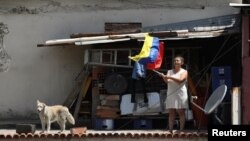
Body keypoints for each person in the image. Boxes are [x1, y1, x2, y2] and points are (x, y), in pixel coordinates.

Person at [160, 55, 188, 133]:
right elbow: (167, 82)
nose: (176, 62)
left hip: (180, 94)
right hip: (171, 93)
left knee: (181, 112)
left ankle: (181, 130)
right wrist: (164, 77)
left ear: (182, 62)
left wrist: (170, 77)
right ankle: (170, 130)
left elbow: (180, 80)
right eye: (175, 61)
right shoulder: (169, 71)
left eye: (177, 60)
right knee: (171, 112)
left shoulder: (184, 72)